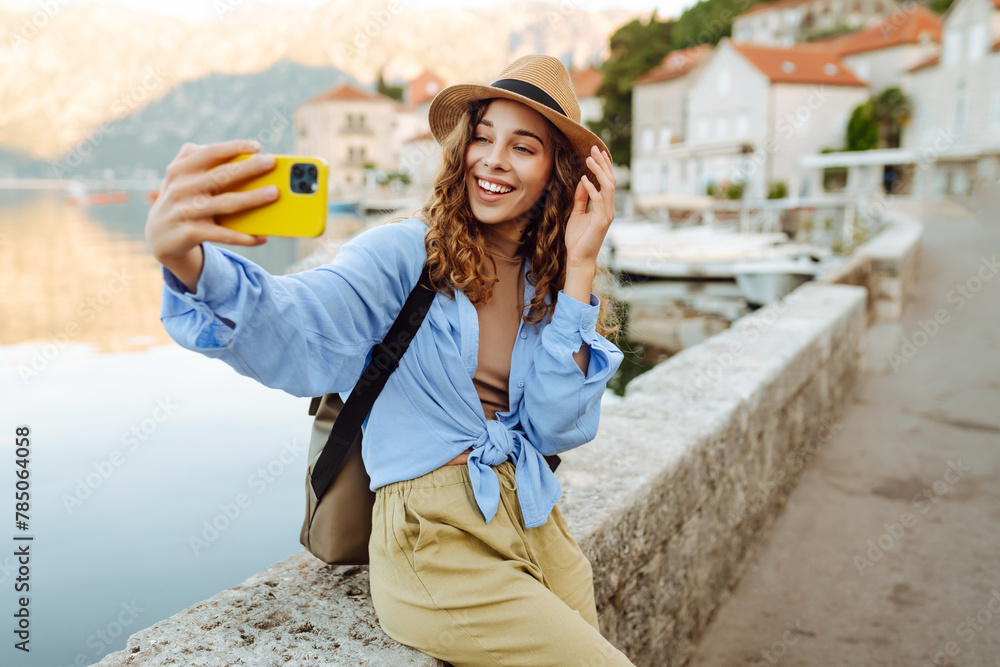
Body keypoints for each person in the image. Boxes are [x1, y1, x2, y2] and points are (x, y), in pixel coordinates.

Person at [145, 54, 635, 666]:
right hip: (431, 538)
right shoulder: (406, 252)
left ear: (558, 174)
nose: (493, 159)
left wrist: (581, 270)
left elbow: (559, 428)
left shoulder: (551, 282)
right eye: (482, 137)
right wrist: (193, 265)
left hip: (534, 519)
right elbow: (302, 325)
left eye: (523, 147)